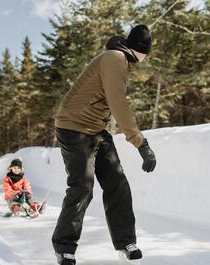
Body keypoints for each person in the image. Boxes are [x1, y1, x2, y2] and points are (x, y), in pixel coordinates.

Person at [52, 24, 157, 265]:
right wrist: (141, 143)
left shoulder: (119, 59)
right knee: (83, 187)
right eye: (147, 53)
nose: (146, 59)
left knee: (117, 183)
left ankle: (126, 241)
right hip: (74, 127)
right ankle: (64, 246)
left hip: (95, 129)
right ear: (140, 50)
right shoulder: (115, 58)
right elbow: (118, 102)